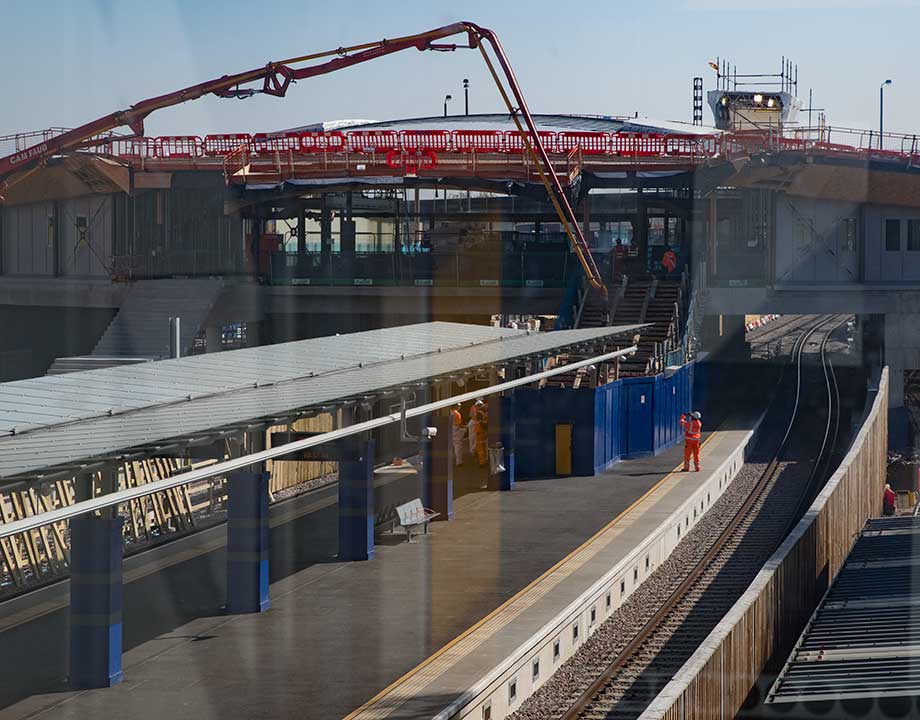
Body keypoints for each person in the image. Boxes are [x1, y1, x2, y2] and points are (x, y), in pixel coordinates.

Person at [472, 399, 489, 468]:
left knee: (480, 448)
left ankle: (482, 462)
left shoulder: (479, 413)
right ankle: (484, 460)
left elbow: (480, 423)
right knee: (483, 446)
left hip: (479, 431)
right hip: (483, 431)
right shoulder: (483, 412)